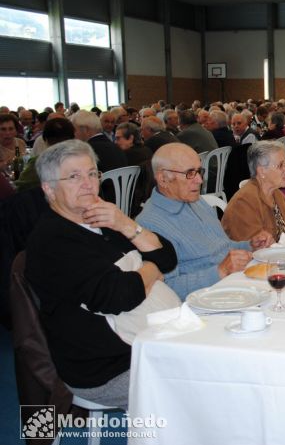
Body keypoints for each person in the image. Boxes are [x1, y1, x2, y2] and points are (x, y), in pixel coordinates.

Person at [25, 140, 178, 409]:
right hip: (107, 367)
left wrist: (126, 224)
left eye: (92, 173)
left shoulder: (103, 219)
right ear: (49, 189)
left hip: (150, 339)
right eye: (74, 176)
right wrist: (150, 270)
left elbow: (167, 257)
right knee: (203, 384)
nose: (88, 183)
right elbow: (117, 296)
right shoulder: (53, 241)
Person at [136, 143, 265, 299]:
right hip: (207, 299)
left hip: (234, 282)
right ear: (163, 179)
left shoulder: (195, 201)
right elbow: (166, 290)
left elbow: (224, 246)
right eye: (190, 173)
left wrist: (250, 245)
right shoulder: (150, 224)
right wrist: (220, 271)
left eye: (199, 171)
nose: (199, 180)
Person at [222, 141, 285, 243]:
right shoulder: (244, 202)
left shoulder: (278, 195)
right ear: (262, 171)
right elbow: (256, 249)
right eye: (281, 165)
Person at [15, 117, 76, 192]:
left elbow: (21, 187)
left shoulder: (38, 163)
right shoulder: (83, 159)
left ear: (45, 140)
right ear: (73, 139)